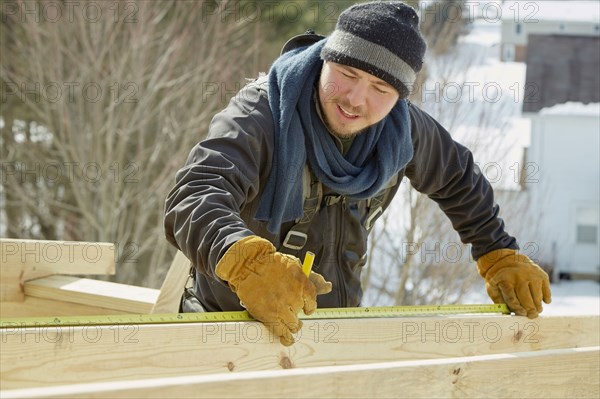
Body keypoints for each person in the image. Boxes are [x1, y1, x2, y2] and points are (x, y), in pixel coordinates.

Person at [164, 1, 551, 346]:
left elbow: (458, 177)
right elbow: (194, 196)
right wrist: (247, 264)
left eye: (380, 87)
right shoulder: (261, 115)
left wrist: (496, 251)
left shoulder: (401, 130)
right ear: (325, 59)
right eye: (347, 73)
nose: (355, 99)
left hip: (331, 339)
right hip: (224, 333)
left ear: (400, 97)